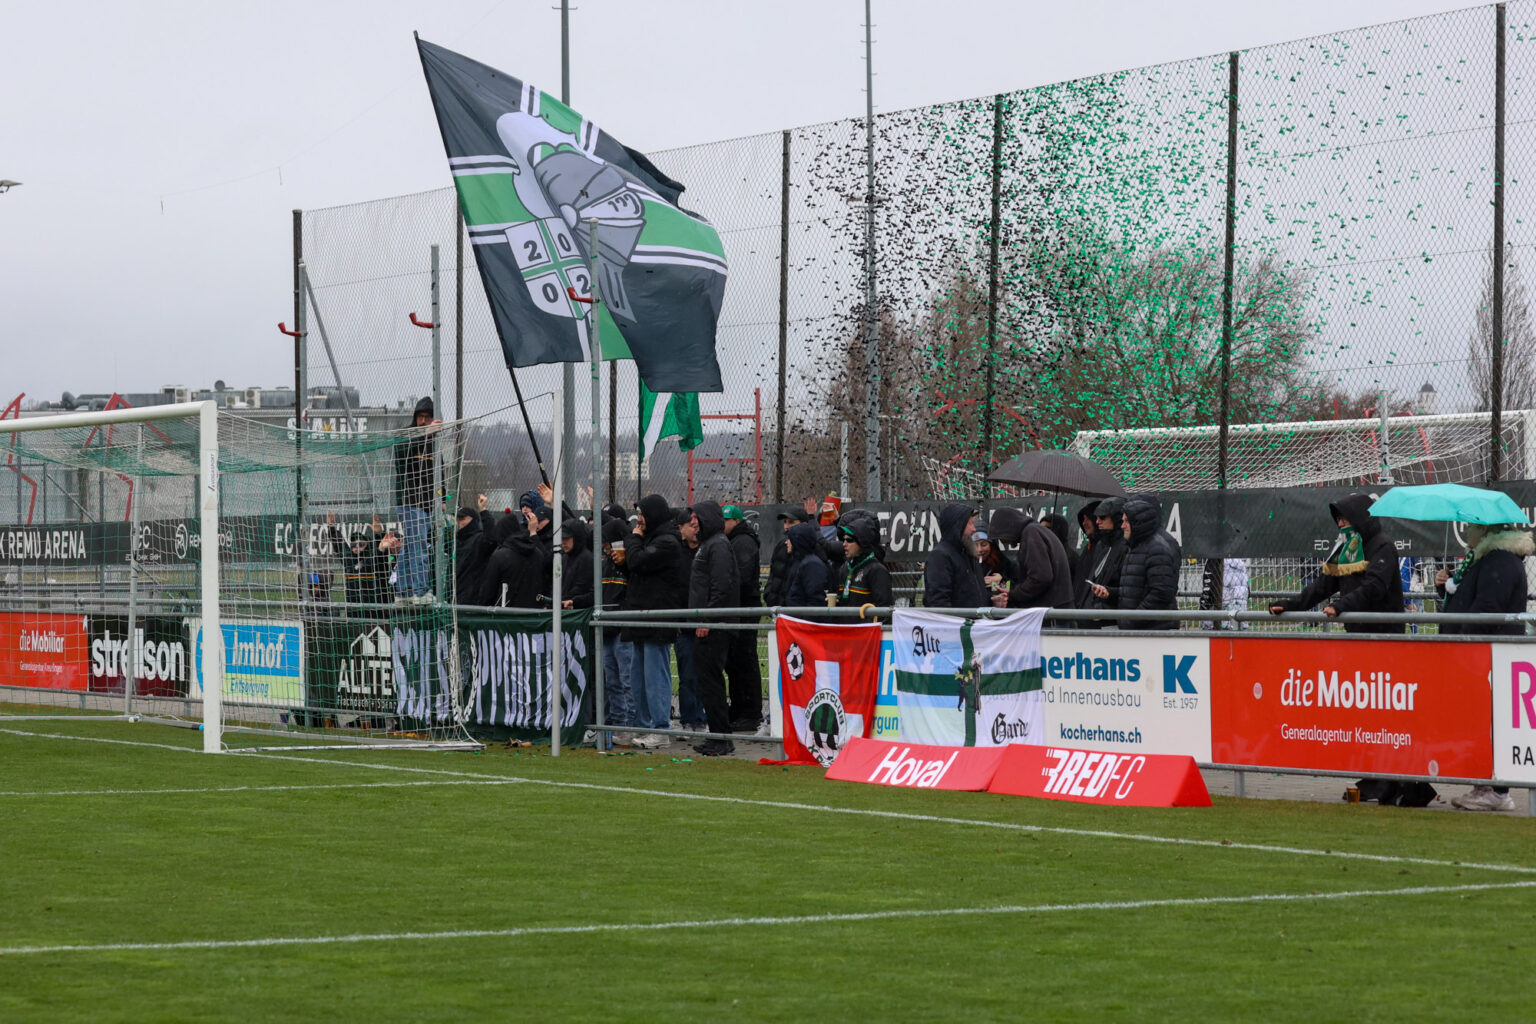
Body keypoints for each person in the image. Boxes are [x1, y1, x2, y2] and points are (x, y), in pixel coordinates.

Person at [1438, 521, 1532, 812]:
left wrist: (1463, 640)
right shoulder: (1486, 560)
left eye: (1472, 527)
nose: (1467, 533)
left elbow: (1488, 608)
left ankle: (1496, 790)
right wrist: (1444, 587)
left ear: (1487, 532)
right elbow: (1469, 600)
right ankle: (1487, 785)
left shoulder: (1499, 561)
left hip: (1488, 655)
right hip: (1482, 654)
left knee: (1492, 721)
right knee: (1482, 720)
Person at [1268, 494, 1405, 634]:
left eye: (1344, 519)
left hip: (1386, 635)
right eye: (1338, 519)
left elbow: (1374, 587)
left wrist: (1340, 606)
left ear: (1358, 518)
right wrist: (1289, 605)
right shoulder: (1346, 549)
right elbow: (1322, 587)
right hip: (1356, 633)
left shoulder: (1383, 546)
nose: (1340, 524)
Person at [623, 494, 684, 749]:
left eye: (643, 514)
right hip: (640, 618)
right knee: (637, 677)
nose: (639, 520)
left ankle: (660, 728)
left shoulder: (668, 542)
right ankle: (642, 725)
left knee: (655, 676)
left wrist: (633, 541)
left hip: (657, 620)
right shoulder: (650, 540)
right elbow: (635, 565)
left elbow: (638, 561)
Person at [687, 501, 739, 756]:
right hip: (707, 624)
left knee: (712, 682)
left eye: (696, 517)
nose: (693, 522)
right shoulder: (709, 544)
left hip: (714, 627)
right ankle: (717, 734)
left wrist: (707, 619)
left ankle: (721, 737)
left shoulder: (718, 545)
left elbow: (721, 586)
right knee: (707, 682)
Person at [392, 396, 441, 602]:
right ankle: (421, 591)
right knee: (419, 546)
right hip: (410, 501)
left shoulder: (434, 444)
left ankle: (402, 592)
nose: (423, 421)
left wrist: (441, 496)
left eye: (428, 417)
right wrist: (425, 435)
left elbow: (439, 471)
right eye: (420, 417)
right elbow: (401, 457)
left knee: (409, 546)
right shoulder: (406, 435)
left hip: (427, 503)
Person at [721, 504, 763, 732]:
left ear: (736, 521)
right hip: (739, 607)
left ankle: (750, 712)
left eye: (726, 520)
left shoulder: (743, 542)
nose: (722, 524)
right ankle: (739, 709)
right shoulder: (735, 541)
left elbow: (742, 577)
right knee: (735, 662)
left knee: (744, 661)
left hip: (744, 607)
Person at [1116, 494, 1181, 630]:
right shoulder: (1134, 547)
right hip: (1138, 628)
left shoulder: (1158, 548)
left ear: (1137, 522)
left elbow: (1161, 592)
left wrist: (1135, 619)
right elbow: (1134, 589)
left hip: (1154, 630)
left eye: (1126, 521)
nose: (1122, 526)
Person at [598, 517, 636, 746]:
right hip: (608, 628)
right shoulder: (604, 563)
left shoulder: (630, 562)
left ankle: (632, 725)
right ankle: (619, 723)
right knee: (611, 681)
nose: (605, 549)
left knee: (627, 680)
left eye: (607, 544)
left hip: (623, 629)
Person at [476, 497, 553, 609]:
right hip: (534, 611)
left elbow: (488, 591)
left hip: (507, 613)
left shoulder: (500, 556)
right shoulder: (537, 552)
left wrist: (482, 609)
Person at [673, 507, 706, 733]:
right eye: (691, 525)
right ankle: (688, 719)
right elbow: (673, 588)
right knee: (686, 674)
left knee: (704, 673)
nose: (696, 529)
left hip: (703, 623)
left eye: (697, 525)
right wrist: (676, 619)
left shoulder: (707, 550)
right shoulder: (677, 554)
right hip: (684, 624)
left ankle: (701, 717)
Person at [922, 503, 987, 609]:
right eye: (970, 524)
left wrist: (993, 602)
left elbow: (975, 594)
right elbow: (938, 602)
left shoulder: (969, 553)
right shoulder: (940, 557)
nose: (974, 529)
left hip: (975, 619)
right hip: (955, 620)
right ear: (958, 526)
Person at [831, 512, 893, 618]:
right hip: (846, 627)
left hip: (867, 627)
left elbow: (884, 610)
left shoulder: (877, 570)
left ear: (861, 541)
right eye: (843, 540)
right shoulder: (844, 568)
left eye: (849, 540)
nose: (844, 544)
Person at [1080, 497, 1128, 628]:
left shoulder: (1126, 547)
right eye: (1097, 517)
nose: (1097, 521)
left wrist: (1109, 592)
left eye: (1102, 517)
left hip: (1110, 620)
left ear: (1116, 518)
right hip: (1092, 616)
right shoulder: (1102, 544)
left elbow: (1130, 589)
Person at [452, 495, 494, 606]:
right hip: (455, 594)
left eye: (462, 519)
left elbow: (491, 538)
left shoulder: (479, 539)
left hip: (472, 597)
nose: (459, 522)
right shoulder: (456, 541)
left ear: (473, 520)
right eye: (458, 519)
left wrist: (483, 510)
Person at [763, 508, 809, 606]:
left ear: (804, 524)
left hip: (795, 609)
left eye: (791, 522)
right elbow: (773, 574)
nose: (786, 526)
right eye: (785, 522)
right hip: (776, 606)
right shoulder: (781, 546)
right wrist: (769, 594)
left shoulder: (809, 549)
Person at [546, 517, 593, 610]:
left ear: (577, 537)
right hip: (562, 608)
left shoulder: (587, 558)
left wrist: (560, 602)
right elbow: (556, 583)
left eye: (567, 538)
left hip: (575, 611)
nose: (563, 542)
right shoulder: (563, 557)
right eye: (562, 538)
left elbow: (581, 587)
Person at [784, 522, 833, 609]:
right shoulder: (800, 561)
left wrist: (803, 616)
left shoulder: (812, 565)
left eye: (789, 539)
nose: (786, 542)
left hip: (803, 616)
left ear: (798, 541)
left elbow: (816, 600)